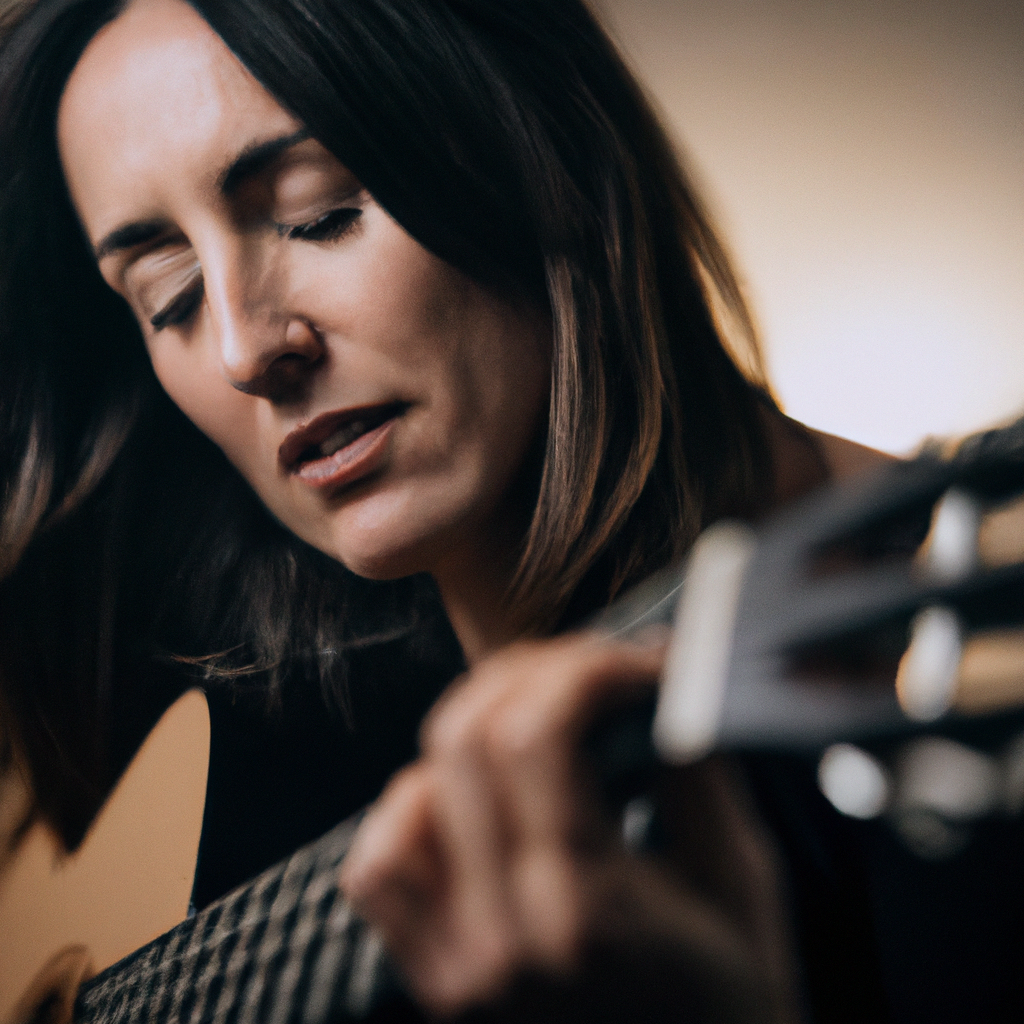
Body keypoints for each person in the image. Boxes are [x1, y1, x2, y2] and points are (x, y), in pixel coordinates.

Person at [0, 0, 899, 1020]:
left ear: (541, 152)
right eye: (168, 295)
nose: (244, 351)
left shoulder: (915, 605)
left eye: (317, 212)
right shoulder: (256, 742)